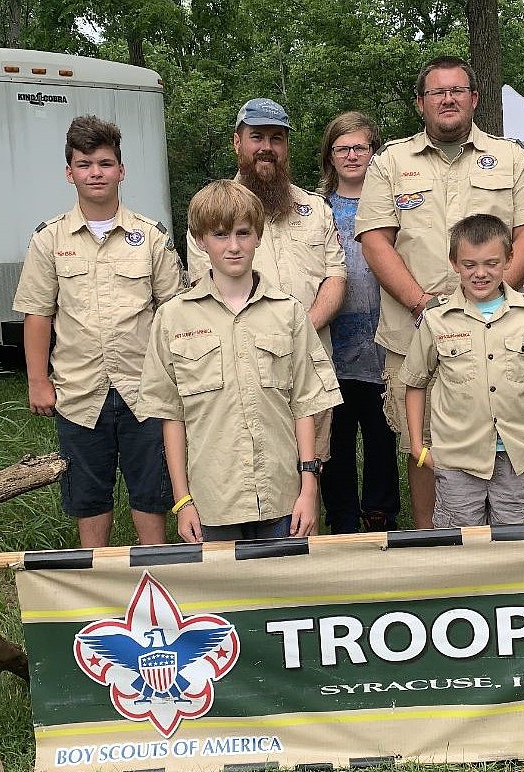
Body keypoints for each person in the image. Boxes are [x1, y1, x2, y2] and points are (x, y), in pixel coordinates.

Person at [355, 55, 524, 528]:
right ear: (421, 103)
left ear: (474, 99)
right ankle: (434, 546)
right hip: (413, 330)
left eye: (457, 90)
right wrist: (423, 304)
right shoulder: (390, 163)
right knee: (421, 443)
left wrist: (489, 295)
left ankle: (509, 542)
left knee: (501, 430)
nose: (448, 99)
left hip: (498, 329)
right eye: (437, 92)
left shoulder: (510, 158)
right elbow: (375, 240)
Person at [12, 115, 184, 548]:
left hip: (145, 390)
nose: (95, 173)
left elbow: (173, 312)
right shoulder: (49, 240)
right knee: (88, 499)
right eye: (84, 164)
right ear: (69, 173)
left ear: (121, 170)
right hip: (78, 390)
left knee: (152, 493)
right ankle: (99, 596)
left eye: (105, 163)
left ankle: (155, 575)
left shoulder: (150, 237)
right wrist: (37, 381)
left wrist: (180, 377)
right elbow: (37, 314)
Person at [138, 180, 343, 541]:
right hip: (212, 503)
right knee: (222, 597)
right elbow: (171, 415)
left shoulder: (289, 313)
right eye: (220, 235)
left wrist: (309, 490)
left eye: (243, 233)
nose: (233, 246)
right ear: (201, 241)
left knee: (283, 593)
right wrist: (182, 500)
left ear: (259, 236)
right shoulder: (173, 319)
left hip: (282, 498)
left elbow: (306, 404)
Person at [185, 99, 346, 490]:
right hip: (242, 373)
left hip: (307, 362)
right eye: (256, 136)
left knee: (309, 473)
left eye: (276, 138)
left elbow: (336, 277)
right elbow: (205, 294)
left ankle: (303, 549)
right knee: (248, 471)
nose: (266, 147)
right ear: (237, 142)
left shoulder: (314, 208)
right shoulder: (212, 213)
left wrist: (298, 328)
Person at [400, 214, 524, 527]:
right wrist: (419, 449)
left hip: (516, 457)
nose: (480, 273)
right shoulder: (437, 318)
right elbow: (414, 382)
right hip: (457, 459)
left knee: (518, 545)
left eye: (491, 263)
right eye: (469, 264)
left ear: (508, 260)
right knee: (459, 548)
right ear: (454, 263)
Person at [317, 111, 401, 533]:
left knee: (384, 430)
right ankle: (342, 518)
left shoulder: (393, 203)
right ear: (330, 156)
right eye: (342, 148)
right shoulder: (315, 208)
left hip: (384, 339)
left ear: (374, 152)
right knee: (335, 436)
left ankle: (381, 512)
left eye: (360, 147)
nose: (351, 155)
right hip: (330, 343)